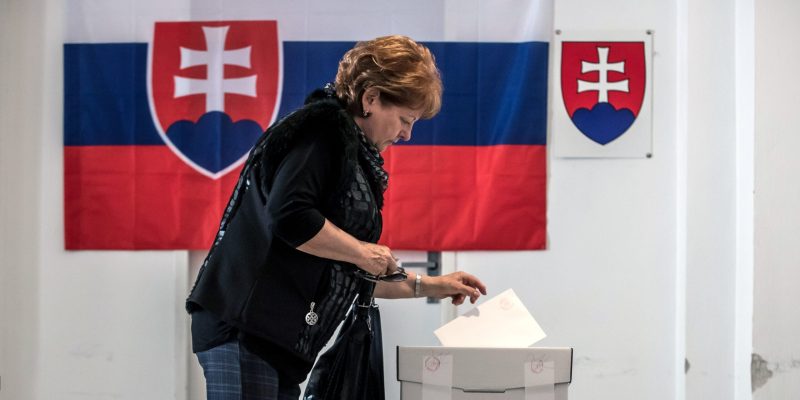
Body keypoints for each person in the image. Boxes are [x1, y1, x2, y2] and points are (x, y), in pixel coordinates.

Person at [186, 35, 487, 400]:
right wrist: (363, 251)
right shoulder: (322, 131)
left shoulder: (353, 154)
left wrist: (432, 285)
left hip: (276, 339)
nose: (407, 134)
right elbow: (290, 217)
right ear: (371, 98)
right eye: (405, 119)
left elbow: (348, 272)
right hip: (245, 328)